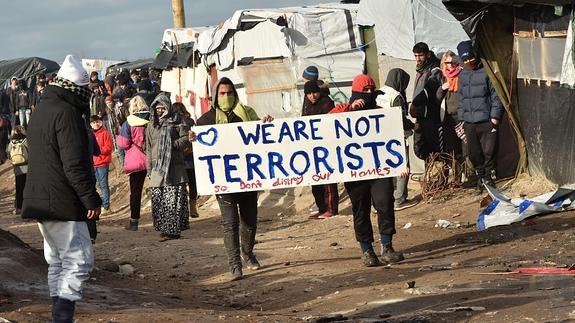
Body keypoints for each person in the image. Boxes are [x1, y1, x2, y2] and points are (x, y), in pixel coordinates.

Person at [22, 54, 101, 323]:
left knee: (57, 261)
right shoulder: (66, 113)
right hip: (62, 199)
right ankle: (63, 317)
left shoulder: (42, 109)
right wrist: (91, 199)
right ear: (76, 88)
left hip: (40, 199)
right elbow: (74, 165)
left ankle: (60, 314)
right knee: (79, 261)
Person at [191, 77, 273, 281]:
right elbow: (198, 149)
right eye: (222, 93)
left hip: (248, 178)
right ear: (215, 96)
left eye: (229, 93)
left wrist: (266, 126)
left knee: (250, 221)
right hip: (223, 181)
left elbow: (263, 140)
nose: (226, 97)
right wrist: (193, 139)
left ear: (235, 94)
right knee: (230, 223)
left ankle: (248, 252)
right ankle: (235, 264)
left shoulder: (248, 114)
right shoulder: (205, 121)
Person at [329, 74, 405, 267]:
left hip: (379, 170)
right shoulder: (342, 110)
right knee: (360, 209)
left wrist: (401, 163)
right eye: (366, 91)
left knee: (385, 203)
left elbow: (394, 137)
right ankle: (367, 250)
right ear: (355, 94)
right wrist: (351, 110)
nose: (370, 94)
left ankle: (387, 246)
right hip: (355, 171)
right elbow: (326, 125)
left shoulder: (381, 112)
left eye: (373, 91)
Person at [456, 40, 503, 193]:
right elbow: (461, 98)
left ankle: (490, 180)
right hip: (469, 122)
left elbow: (496, 95)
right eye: (465, 59)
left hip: (486, 120)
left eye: (470, 57)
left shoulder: (486, 72)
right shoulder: (462, 75)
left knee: (489, 152)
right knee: (474, 153)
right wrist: (462, 118)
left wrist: (495, 116)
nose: (468, 61)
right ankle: (480, 179)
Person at [146, 93, 190, 240]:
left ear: (168, 106)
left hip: (174, 166)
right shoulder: (151, 124)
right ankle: (164, 229)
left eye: (162, 107)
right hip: (157, 168)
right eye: (157, 108)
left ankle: (172, 231)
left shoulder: (178, 121)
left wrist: (172, 145)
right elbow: (148, 147)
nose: (160, 110)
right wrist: (149, 169)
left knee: (172, 200)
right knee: (159, 199)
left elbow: (186, 139)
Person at [377, 68, 418, 211]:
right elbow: (399, 119)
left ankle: (382, 200)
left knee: (385, 169)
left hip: (381, 138)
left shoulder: (379, 92)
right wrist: (413, 125)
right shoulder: (396, 96)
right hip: (397, 137)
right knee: (402, 167)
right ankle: (400, 199)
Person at [302, 80, 339, 219]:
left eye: (315, 92)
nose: (313, 96)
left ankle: (331, 209)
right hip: (312, 148)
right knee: (315, 182)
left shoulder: (326, 103)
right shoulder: (306, 104)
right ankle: (321, 208)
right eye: (309, 93)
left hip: (326, 148)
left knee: (328, 181)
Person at [117, 95, 150, 231]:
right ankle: (162, 218)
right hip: (152, 157)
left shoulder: (128, 123)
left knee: (135, 192)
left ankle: (134, 221)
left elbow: (124, 144)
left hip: (136, 160)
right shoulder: (151, 119)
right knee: (158, 189)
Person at [410, 42, 444, 161]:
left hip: (431, 117)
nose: (418, 59)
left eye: (420, 55)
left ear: (428, 54)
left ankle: (439, 177)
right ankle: (431, 175)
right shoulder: (421, 69)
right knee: (421, 148)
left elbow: (429, 89)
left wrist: (416, 103)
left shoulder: (435, 69)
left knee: (434, 150)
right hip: (421, 115)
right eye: (416, 56)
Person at [437, 50, 465, 183]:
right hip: (448, 117)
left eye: (453, 62)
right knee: (452, 149)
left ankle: (469, 174)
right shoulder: (442, 77)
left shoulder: (462, 74)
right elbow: (437, 98)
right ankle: (457, 178)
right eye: (447, 62)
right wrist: (442, 88)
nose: (450, 65)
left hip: (462, 116)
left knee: (465, 147)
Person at [173, 102, 199, 219]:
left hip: (180, 158)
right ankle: (193, 207)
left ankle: (183, 210)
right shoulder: (190, 121)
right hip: (192, 157)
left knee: (181, 184)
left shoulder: (173, 123)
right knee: (193, 183)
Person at [90, 115, 113, 215]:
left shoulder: (105, 133)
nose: (96, 124)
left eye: (97, 122)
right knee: (97, 184)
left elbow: (109, 148)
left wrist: (97, 150)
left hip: (103, 163)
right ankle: (99, 204)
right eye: (93, 123)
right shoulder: (90, 134)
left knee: (103, 184)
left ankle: (106, 206)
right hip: (93, 163)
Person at [6, 125, 28, 215]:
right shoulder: (26, 140)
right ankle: (28, 207)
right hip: (27, 167)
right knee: (27, 187)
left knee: (19, 188)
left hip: (17, 169)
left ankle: (18, 208)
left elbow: (8, 153)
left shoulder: (12, 142)